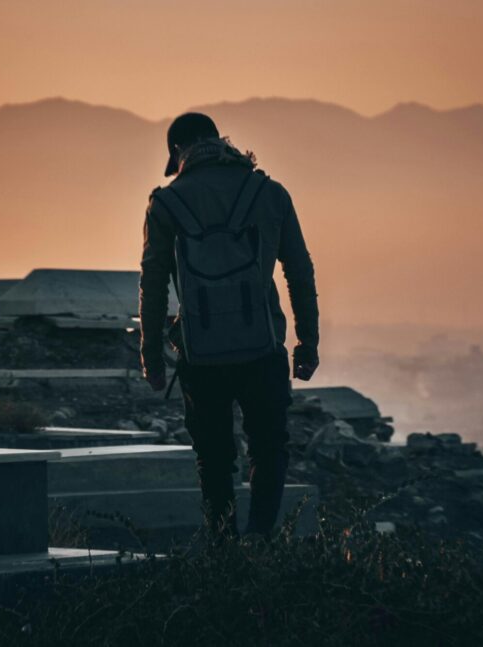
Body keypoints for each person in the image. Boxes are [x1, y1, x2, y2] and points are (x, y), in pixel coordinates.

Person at [139, 112, 319, 538]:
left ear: (178, 152)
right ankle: (260, 539)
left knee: (214, 459)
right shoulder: (269, 193)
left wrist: (150, 354)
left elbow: (153, 281)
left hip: (201, 357)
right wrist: (307, 342)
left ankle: (223, 555)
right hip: (263, 348)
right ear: (220, 141)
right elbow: (299, 270)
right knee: (269, 448)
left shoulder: (165, 203)